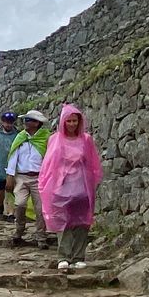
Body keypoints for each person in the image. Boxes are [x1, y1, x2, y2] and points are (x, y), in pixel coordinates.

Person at [39, 104, 103, 269]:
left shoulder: (86, 140)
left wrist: (92, 182)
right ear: (63, 122)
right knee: (63, 221)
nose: (72, 124)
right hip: (62, 185)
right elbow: (49, 165)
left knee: (82, 221)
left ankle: (78, 256)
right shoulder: (55, 139)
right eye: (69, 121)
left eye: (75, 121)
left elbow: (92, 163)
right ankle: (63, 256)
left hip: (82, 186)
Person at [6, 109, 51, 249]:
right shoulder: (21, 137)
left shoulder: (46, 138)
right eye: (25, 120)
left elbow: (50, 158)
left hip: (39, 177)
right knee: (20, 204)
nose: (25, 122)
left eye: (28, 120)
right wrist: (10, 176)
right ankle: (19, 230)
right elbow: (14, 156)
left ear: (37, 123)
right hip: (21, 177)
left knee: (40, 208)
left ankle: (41, 236)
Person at [0, 112, 19, 219]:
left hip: (12, 167)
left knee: (11, 190)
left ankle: (11, 212)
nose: (8, 124)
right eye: (6, 122)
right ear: (2, 122)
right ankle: (0, 205)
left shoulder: (18, 135)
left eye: (10, 122)